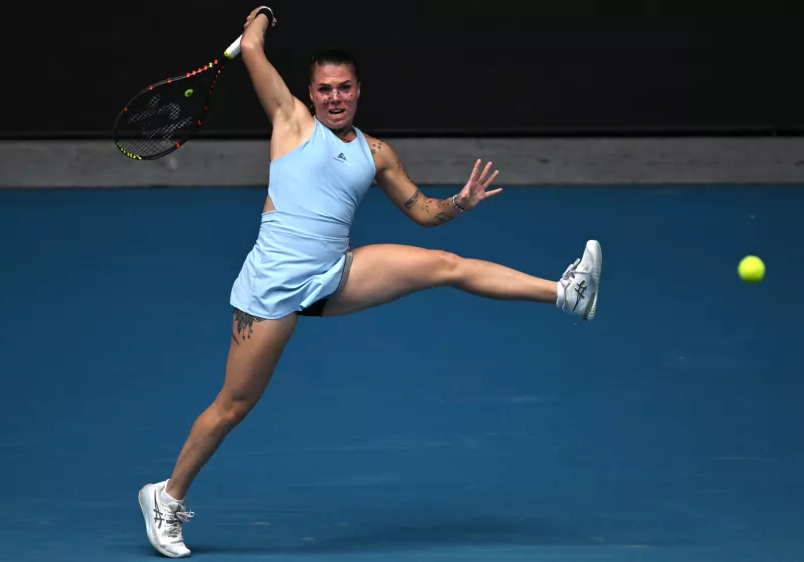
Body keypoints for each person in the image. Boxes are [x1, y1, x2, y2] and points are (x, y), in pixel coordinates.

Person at [138, 6, 603, 558]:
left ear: (358, 91)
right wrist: (260, 16)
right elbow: (254, 49)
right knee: (233, 407)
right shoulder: (290, 120)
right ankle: (165, 496)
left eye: (345, 88)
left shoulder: (375, 153)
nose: (335, 97)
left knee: (444, 264)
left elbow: (423, 210)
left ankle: (564, 292)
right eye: (325, 89)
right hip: (272, 291)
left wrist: (459, 201)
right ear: (310, 93)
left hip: (336, 275)